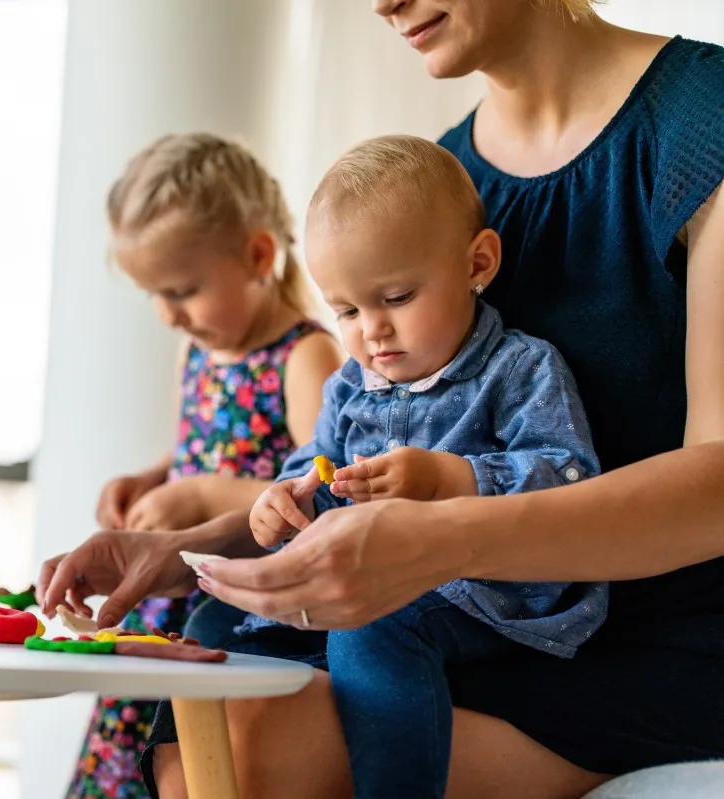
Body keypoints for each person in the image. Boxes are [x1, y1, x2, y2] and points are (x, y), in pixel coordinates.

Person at [41, 1, 724, 796]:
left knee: (256, 751)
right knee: (205, 719)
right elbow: (353, 486)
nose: (381, 3)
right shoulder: (434, 184)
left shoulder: (700, 122)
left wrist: (439, 535)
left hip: (638, 649)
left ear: (481, 261)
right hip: (437, 617)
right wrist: (196, 549)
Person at [248, 134, 601, 799]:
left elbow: (570, 477)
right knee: (222, 620)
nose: (371, 331)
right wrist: (288, 495)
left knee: (370, 628)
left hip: (493, 592)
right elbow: (316, 464)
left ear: (478, 263)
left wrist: (451, 480)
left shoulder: (521, 369)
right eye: (347, 310)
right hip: (372, 576)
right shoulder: (351, 385)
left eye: (398, 297)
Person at [67, 133, 341, 798]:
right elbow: (196, 444)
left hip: (238, 616)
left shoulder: (306, 357)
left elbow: (321, 494)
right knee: (127, 761)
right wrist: (155, 477)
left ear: (258, 255)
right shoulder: (200, 351)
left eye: (183, 290)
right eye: (153, 294)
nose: (168, 314)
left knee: (196, 771)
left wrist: (198, 494)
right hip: (161, 609)